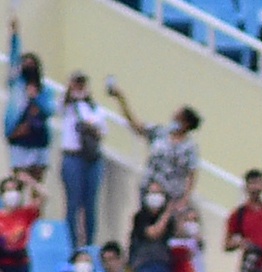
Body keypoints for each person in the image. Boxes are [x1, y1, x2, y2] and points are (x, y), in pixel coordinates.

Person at [106, 84, 202, 206]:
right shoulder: (160, 133)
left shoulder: (189, 148)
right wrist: (121, 100)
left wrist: (185, 199)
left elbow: (192, 174)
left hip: (170, 198)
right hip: (149, 189)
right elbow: (137, 126)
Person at [58, 73, 107, 249]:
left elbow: (101, 131)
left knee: (90, 204)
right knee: (73, 203)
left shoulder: (94, 108)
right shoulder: (68, 107)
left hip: (90, 158)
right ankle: (71, 244)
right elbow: (59, 109)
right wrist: (70, 93)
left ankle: (89, 244)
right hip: (72, 156)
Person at [5, 25, 53, 183]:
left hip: (38, 139)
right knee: (18, 180)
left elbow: (49, 110)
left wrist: (36, 97)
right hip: (20, 136)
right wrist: (15, 36)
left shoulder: (44, 90)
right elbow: (13, 61)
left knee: (37, 183)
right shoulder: (17, 86)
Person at [0, 172, 44, 272]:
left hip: (21, 264)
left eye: (14, 189)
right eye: (8, 190)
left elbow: (44, 197)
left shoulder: (25, 213)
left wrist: (30, 181)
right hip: (2, 264)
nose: (11, 193)